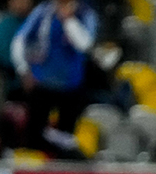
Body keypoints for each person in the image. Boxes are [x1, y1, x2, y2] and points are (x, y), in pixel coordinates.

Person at [11, 0, 98, 152]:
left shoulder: (86, 14)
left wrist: (69, 20)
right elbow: (19, 40)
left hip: (71, 86)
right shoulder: (43, 11)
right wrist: (23, 69)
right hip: (42, 83)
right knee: (35, 135)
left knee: (66, 138)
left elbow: (84, 44)